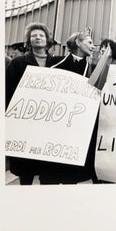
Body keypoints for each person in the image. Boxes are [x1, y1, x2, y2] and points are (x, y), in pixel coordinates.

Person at [39, 31, 96, 185]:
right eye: (90, 42)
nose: (93, 46)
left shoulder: (92, 69)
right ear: (78, 42)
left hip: (75, 130)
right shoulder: (54, 63)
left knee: (70, 179)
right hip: (54, 127)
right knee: (49, 179)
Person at [5, 22, 55, 185]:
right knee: (26, 171)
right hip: (25, 123)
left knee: (47, 171)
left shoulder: (56, 63)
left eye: (41, 35)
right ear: (28, 40)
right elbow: (7, 91)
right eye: (34, 35)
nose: (37, 38)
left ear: (47, 39)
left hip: (49, 123)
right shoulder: (17, 63)